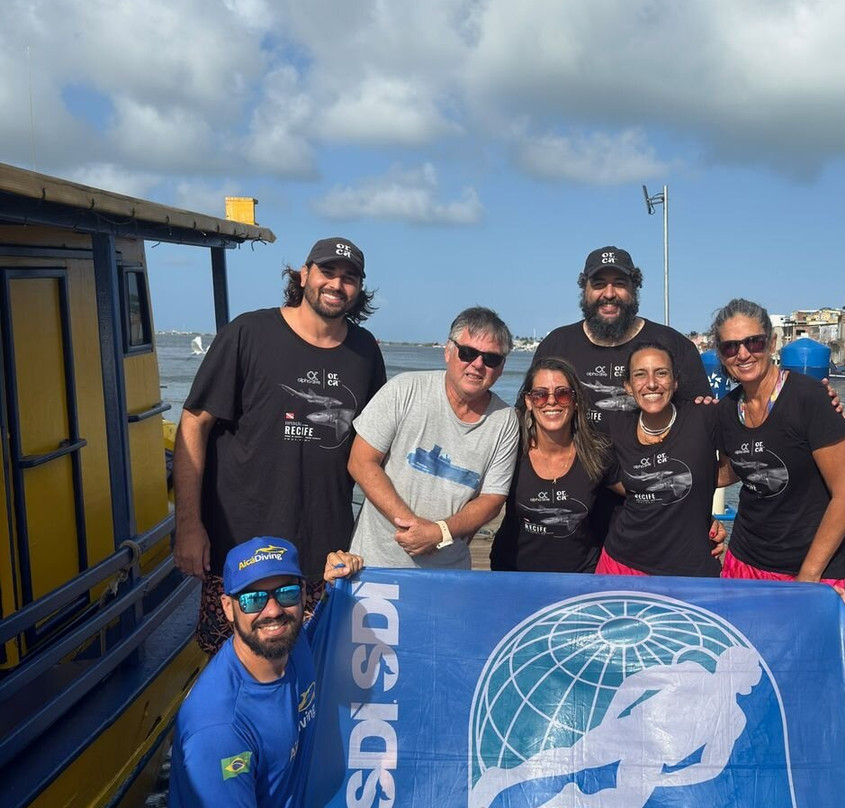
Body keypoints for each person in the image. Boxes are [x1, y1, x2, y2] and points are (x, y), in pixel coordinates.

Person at [173, 237, 385, 654]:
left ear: (359, 289)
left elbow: (375, 448)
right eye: (327, 272)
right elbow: (193, 424)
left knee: (314, 673)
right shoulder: (249, 333)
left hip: (322, 554)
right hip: (240, 547)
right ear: (304, 275)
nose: (336, 284)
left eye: (349, 278)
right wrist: (188, 526)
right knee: (233, 666)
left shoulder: (365, 352)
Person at [169, 537, 364, 807]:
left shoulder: (292, 645)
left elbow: (315, 632)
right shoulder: (220, 730)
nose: (273, 611)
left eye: (287, 593)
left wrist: (336, 584)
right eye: (253, 599)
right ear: (228, 607)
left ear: (304, 593)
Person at [471, 645, 763, 807]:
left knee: (627, 801)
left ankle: (568, 801)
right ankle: (501, 777)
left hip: (654, 757)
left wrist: (665, 781)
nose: (730, 670)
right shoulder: (692, 672)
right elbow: (636, 682)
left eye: (739, 669)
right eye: (731, 662)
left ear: (746, 683)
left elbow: (710, 766)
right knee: (570, 759)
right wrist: (612, 718)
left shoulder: (734, 719)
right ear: (723, 662)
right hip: (633, 729)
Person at [348, 306, 519, 569]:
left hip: (447, 573)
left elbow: (492, 499)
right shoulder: (405, 388)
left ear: (501, 366)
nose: (478, 365)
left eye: (491, 359)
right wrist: (412, 527)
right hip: (374, 563)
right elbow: (361, 462)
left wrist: (439, 533)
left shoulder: (505, 420)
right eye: (468, 353)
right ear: (448, 351)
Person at [710, 298, 845, 586]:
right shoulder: (727, 410)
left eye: (753, 342)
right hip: (744, 561)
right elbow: (732, 470)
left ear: (772, 343)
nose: (743, 354)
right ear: (721, 354)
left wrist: (808, 576)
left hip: (808, 568)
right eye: (731, 346)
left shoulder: (809, 397)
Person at [533, 246, 711, 425]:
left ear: (634, 288)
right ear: (584, 289)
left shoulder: (674, 345)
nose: (609, 294)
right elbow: (529, 414)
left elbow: (699, 421)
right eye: (598, 284)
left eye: (619, 284)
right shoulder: (556, 345)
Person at [598, 342, 729, 576]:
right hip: (622, 564)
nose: (651, 383)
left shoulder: (703, 416)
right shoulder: (616, 426)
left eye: (661, 373)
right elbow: (612, 478)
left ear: (675, 381)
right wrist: (663, 494)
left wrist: (695, 491)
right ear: (628, 386)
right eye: (640, 375)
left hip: (690, 570)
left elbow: (738, 463)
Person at [489, 357, 623, 573]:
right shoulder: (511, 450)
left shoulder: (597, 453)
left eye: (562, 394)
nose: (551, 401)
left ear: (576, 400)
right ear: (529, 402)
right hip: (513, 573)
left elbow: (639, 496)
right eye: (540, 395)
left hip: (579, 579)